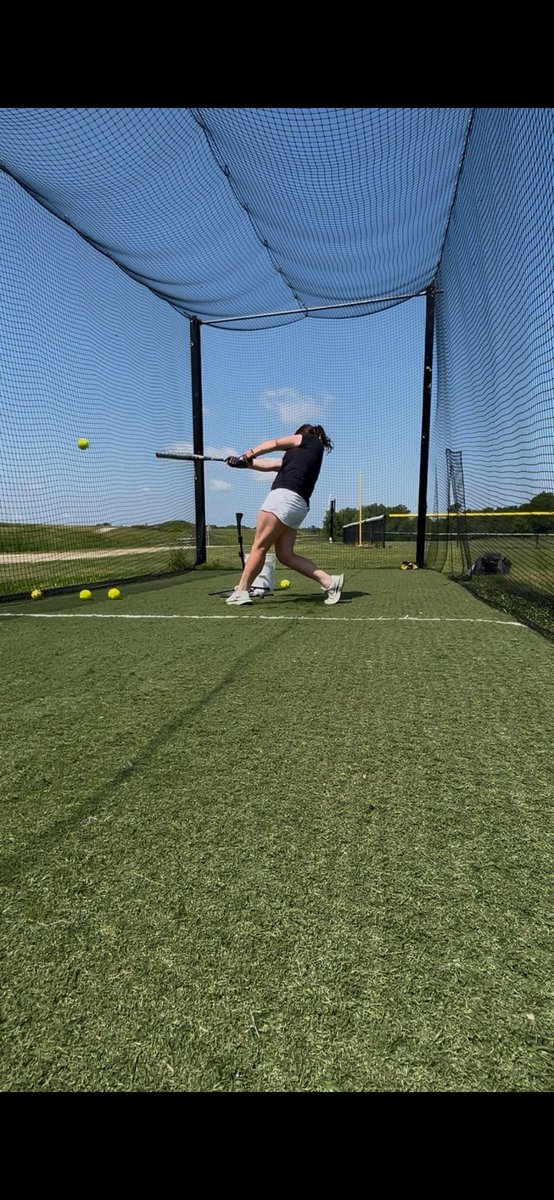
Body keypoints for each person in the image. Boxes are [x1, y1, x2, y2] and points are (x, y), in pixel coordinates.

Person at [224, 423, 344, 606]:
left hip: (283, 498)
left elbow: (274, 443)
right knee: (285, 555)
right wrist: (245, 464)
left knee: (259, 546)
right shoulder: (304, 456)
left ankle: (242, 590)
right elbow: (272, 464)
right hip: (298, 506)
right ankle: (330, 582)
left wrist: (247, 454)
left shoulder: (308, 440)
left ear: (299, 436)